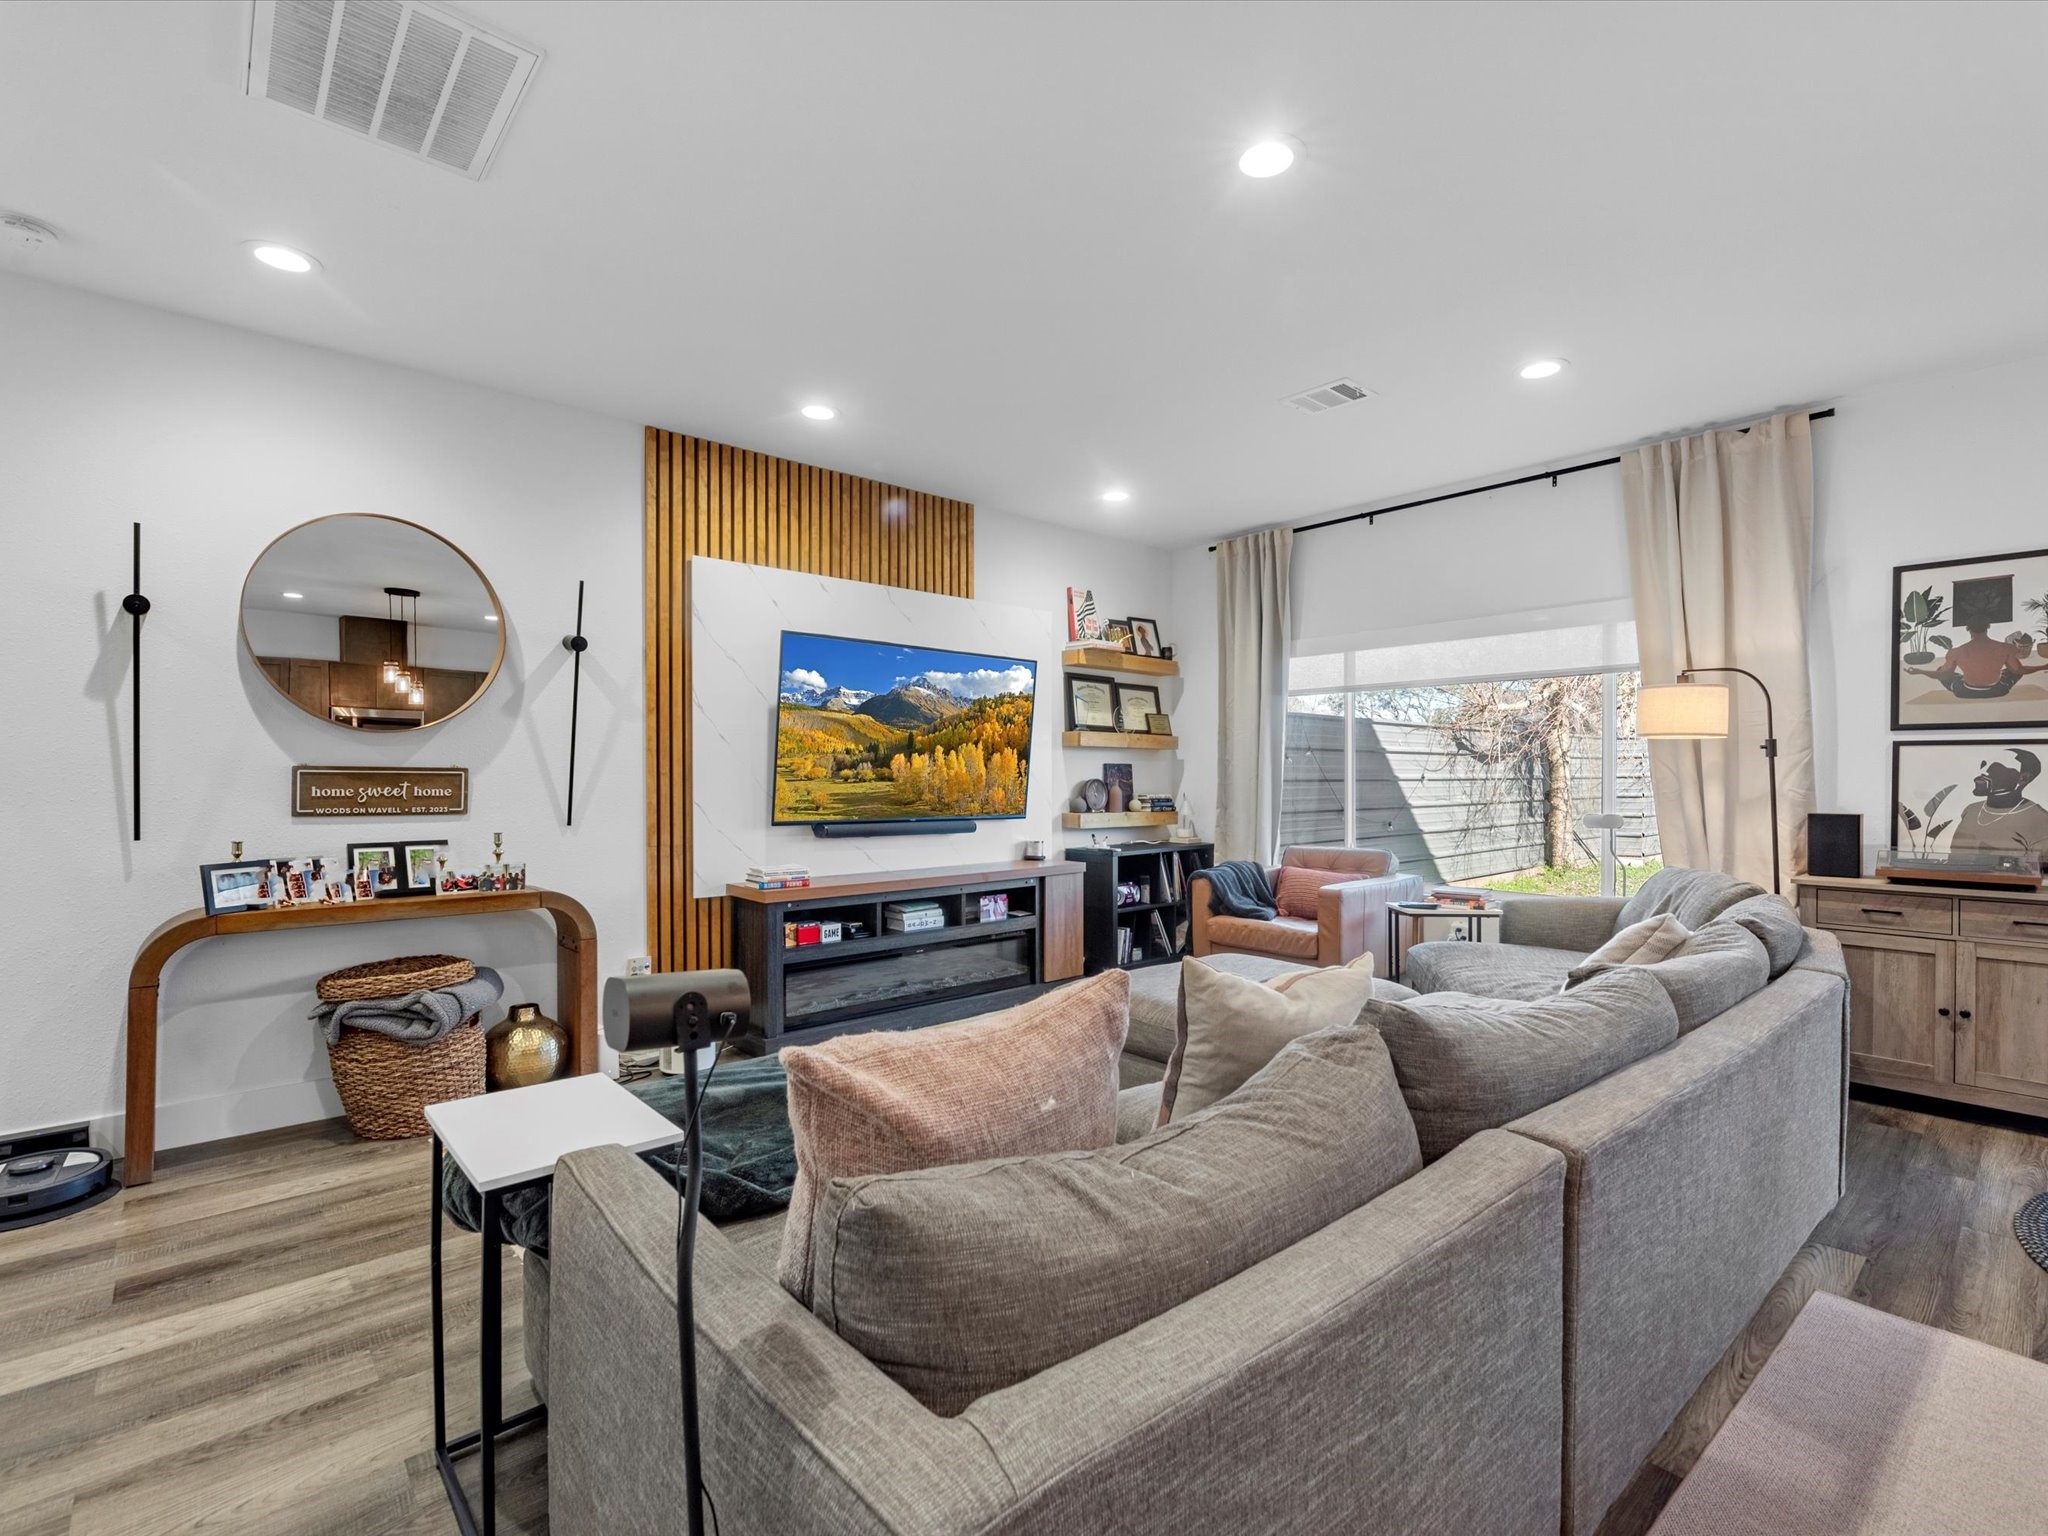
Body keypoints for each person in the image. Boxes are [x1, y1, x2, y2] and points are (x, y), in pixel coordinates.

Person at [1904, 622, 2048, 699]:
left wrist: (1919, 671)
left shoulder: (1956, 651)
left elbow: (1943, 676)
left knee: (1941, 670)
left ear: (1968, 630)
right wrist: (2043, 666)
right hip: (1998, 690)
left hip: (1964, 692)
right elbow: (2019, 671)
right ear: (1987, 628)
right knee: (2013, 670)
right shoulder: (2005, 648)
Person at [1949, 748, 2048, 856]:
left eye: (1995, 767)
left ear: (2023, 778)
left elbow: (2039, 870)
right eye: (1984, 764)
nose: (1983, 771)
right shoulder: (1971, 810)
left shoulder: (2040, 819)